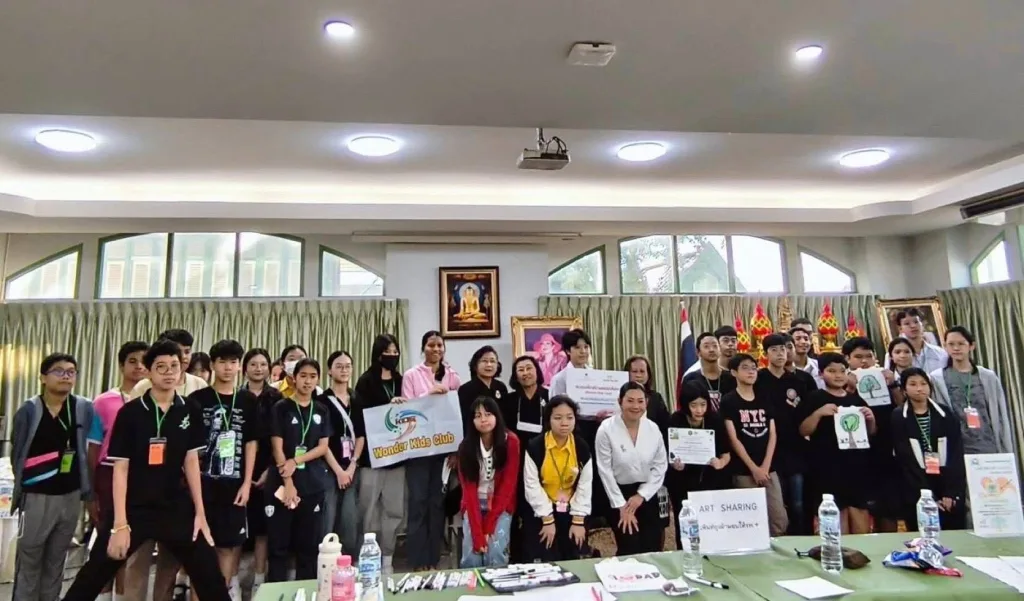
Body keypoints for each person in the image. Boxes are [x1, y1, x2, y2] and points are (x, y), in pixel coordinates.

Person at [61, 340, 230, 601]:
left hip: (175, 505)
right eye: (161, 367)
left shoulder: (189, 409)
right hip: (133, 506)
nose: (169, 372)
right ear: (149, 372)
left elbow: (191, 462)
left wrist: (200, 513)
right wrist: (119, 525)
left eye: (174, 366)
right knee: (94, 573)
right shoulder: (131, 412)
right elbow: (120, 469)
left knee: (210, 575)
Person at [124, 329, 207, 601]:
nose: (182, 358)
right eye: (176, 352)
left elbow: (193, 449)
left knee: (170, 562)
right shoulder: (141, 389)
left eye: (185, 353)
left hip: (177, 490)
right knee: (138, 560)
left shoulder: (198, 387)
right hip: (143, 488)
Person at [11, 353, 94, 601]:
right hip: (36, 495)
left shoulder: (83, 408)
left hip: (70, 494)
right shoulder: (29, 410)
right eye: (58, 371)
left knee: (57, 557)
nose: (66, 376)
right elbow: (18, 453)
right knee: (30, 556)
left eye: (71, 372)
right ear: (43, 378)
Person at [189, 339, 259, 599]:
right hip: (203, 486)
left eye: (233, 362)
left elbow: (251, 443)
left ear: (239, 366)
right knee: (200, 550)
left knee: (228, 548)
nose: (228, 368)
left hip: (235, 485)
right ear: (212, 365)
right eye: (222, 362)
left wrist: (247, 483)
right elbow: (189, 449)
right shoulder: (197, 400)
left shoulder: (248, 400)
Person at [87, 341, 147, 601]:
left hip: (141, 477)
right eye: (132, 361)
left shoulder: (154, 400)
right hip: (108, 474)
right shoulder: (103, 401)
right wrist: (91, 490)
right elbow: (93, 448)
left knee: (132, 541)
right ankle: (103, 593)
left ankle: (122, 595)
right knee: (107, 538)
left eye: (144, 362)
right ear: (122, 366)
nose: (139, 367)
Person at [266, 358, 332, 582]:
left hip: (312, 484)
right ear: (294, 378)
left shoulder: (321, 409)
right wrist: (288, 483)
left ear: (318, 379)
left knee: (309, 547)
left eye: (313, 376)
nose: (307, 381)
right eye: (303, 376)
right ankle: (276, 592)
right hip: (282, 484)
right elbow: (277, 447)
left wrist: (296, 460)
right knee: (278, 546)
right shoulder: (281, 407)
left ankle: (306, 591)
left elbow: (323, 447)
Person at [796, 353, 876, 534]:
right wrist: (818, 414)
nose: (838, 375)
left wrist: (871, 418)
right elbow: (803, 431)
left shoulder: (855, 399)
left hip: (856, 466)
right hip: (827, 467)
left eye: (842, 371)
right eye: (832, 371)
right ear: (821, 374)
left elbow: (871, 432)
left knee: (860, 516)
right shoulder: (814, 398)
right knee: (835, 521)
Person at [401, 331, 462, 572]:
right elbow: (406, 409)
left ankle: (434, 559)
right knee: (418, 503)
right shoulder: (411, 375)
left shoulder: (453, 376)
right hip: (418, 449)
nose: (436, 349)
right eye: (431, 345)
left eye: (440, 345)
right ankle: (417, 560)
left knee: (437, 504)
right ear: (423, 348)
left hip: (443, 449)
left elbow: (457, 413)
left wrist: (455, 450)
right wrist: (429, 395)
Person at [353, 333, 406, 576]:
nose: (392, 356)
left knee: (394, 509)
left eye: (395, 352)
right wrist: (386, 408)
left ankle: (388, 557)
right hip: (371, 458)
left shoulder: (401, 380)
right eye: (388, 352)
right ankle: (366, 556)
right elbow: (360, 416)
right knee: (368, 508)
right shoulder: (365, 381)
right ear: (378, 354)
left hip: (397, 455)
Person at [594, 381, 668, 556]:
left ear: (646, 402)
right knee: (629, 546)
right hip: (619, 493)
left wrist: (641, 495)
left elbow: (660, 466)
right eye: (630, 401)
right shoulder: (606, 429)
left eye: (640, 401)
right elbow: (605, 471)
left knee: (652, 546)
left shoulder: (653, 429)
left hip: (648, 493)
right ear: (620, 401)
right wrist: (622, 507)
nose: (636, 406)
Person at [720, 353, 788, 536]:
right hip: (743, 470)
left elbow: (772, 433)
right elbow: (734, 438)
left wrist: (765, 466)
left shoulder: (765, 398)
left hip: (768, 468)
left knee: (779, 519)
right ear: (733, 372)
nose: (751, 372)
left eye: (753, 368)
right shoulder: (729, 401)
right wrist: (753, 468)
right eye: (745, 368)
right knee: (750, 521)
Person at [891, 368, 967, 531]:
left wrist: (950, 492)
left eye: (923, 384)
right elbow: (906, 460)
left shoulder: (945, 413)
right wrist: (927, 495)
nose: (919, 388)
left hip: (946, 481)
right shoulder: (898, 417)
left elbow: (956, 453)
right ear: (904, 390)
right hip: (916, 487)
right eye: (913, 384)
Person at [755, 333, 815, 535]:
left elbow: (809, 411)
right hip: (769, 451)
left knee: (798, 503)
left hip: (796, 450)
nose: (780, 354)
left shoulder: (799, 380)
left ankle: (802, 539)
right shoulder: (759, 379)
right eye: (774, 350)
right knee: (776, 503)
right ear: (765, 354)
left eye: (784, 349)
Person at [522, 395, 593, 562]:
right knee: (545, 558)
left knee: (573, 556)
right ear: (549, 419)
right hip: (541, 510)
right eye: (558, 418)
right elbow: (532, 485)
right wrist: (547, 520)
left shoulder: (582, 447)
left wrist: (578, 520)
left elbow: (585, 486)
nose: (564, 423)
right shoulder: (535, 446)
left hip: (572, 510)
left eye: (569, 417)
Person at [458, 396, 521, 568]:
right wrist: (478, 535)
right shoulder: (465, 447)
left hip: (500, 504)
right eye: (478, 416)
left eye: (488, 414)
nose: (483, 420)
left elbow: (508, 486)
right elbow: (469, 492)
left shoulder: (511, 441)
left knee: (495, 552)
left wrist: (489, 526)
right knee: (472, 555)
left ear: (496, 416)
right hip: (474, 504)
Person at [929, 326, 1014, 455]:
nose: (956, 348)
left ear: (971, 346)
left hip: (987, 443)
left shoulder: (988, 376)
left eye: (961, 344)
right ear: (945, 346)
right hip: (957, 446)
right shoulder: (937, 378)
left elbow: (1000, 413)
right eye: (951, 344)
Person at [665, 383, 730, 549]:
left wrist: (720, 463)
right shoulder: (676, 420)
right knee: (685, 525)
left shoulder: (715, 420)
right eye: (694, 405)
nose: (699, 410)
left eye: (703, 404)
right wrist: (674, 464)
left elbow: (727, 453)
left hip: (709, 480)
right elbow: (668, 453)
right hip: (682, 483)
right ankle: (684, 552)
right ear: (685, 405)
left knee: (710, 524)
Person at [845, 337, 900, 533]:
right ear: (847, 359)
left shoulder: (885, 378)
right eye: (858, 357)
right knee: (861, 504)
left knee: (888, 506)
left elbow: (902, 407)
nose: (864, 361)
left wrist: (893, 384)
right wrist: (849, 388)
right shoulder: (842, 381)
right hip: (857, 453)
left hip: (886, 450)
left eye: (868, 356)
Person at [240, 347, 282, 593]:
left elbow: (281, 437)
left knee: (263, 529)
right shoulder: (236, 396)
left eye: (263, 364)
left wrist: (271, 469)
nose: (258, 369)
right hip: (238, 470)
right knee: (235, 528)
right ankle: (231, 580)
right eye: (253, 364)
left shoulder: (276, 398)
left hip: (268, 467)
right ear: (244, 368)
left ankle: (258, 578)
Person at [316, 350, 364, 556]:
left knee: (350, 518)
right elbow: (322, 440)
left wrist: (352, 465)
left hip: (351, 467)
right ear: (329, 370)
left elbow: (361, 435)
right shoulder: (321, 400)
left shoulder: (357, 398)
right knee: (328, 517)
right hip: (328, 467)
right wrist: (338, 471)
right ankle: (325, 562)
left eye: (347, 366)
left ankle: (348, 562)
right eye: (339, 366)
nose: (344, 370)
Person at [458, 346, 508, 434]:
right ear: (475, 365)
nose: (489, 364)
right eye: (484, 361)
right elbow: (465, 419)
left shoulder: (501, 387)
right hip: (475, 435)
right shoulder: (465, 389)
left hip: (499, 434)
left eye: (492, 361)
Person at [683, 333, 737, 412]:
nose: (711, 349)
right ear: (698, 352)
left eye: (715, 346)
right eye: (706, 346)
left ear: (720, 349)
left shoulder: (731, 378)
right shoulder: (691, 379)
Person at [503, 355, 549, 446]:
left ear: (537, 371)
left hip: (544, 447)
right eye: (521, 370)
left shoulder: (549, 396)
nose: (525, 373)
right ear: (516, 376)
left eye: (529, 368)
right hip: (516, 447)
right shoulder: (508, 400)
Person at [885, 308, 948, 373]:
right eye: (907, 323)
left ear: (922, 324)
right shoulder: (894, 355)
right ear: (900, 329)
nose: (913, 326)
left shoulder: (939, 352)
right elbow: (889, 376)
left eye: (916, 322)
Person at [625, 356, 670, 436]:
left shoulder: (656, 398)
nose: (638, 375)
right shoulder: (618, 396)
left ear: (648, 374)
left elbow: (665, 427)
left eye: (642, 371)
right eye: (634, 371)